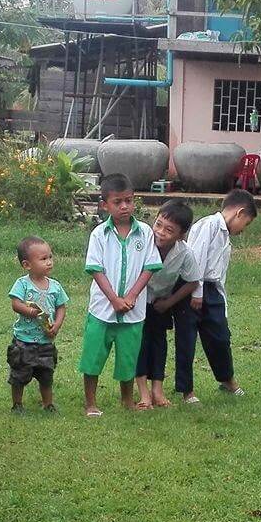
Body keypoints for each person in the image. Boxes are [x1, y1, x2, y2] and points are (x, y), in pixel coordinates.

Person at [79, 173, 162, 416]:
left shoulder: (144, 232)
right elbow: (95, 269)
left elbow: (150, 266)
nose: (124, 206)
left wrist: (133, 296)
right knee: (93, 356)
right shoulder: (99, 234)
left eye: (129, 200)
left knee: (128, 358)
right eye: (118, 202)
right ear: (105, 205)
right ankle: (90, 402)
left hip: (133, 311)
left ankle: (127, 399)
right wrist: (114, 299)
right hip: (102, 309)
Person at [179, 189, 257, 402]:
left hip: (212, 291)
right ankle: (187, 391)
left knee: (220, 337)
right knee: (187, 339)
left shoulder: (225, 236)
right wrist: (197, 291)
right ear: (239, 213)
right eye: (246, 223)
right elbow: (197, 258)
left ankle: (226, 380)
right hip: (193, 287)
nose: (243, 229)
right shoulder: (209, 226)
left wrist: (221, 301)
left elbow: (219, 272)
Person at [135, 200, 202, 409]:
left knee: (159, 343)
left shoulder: (184, 253)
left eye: (169, 230)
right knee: (140, 343)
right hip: (137, 301)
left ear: (181, 235)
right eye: (158, 224)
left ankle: (157, 389)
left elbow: (192, 281)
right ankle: (143, 392)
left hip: (160, 303)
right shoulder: (142, 244)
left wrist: (169, 302)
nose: (160, 232)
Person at [7, 236, 68, 414]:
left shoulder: (55, 286)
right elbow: (15, 303)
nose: (49, 262)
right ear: (27, 265)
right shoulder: (22, 284)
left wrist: (56, 325)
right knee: (19, 374)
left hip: (45, 341)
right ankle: (17, 404)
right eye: (43, 259)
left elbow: (61, 307)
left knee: (46, 374)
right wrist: (28, 311)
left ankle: (48, 403)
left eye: (50, 257)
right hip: (23, 341)